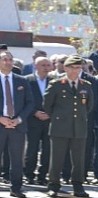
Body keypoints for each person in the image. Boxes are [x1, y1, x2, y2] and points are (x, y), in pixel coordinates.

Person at [43, 55, 94, 198]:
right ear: (65, 68)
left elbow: (89, 106)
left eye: (78, 67)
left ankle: (78, 185)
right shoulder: (57, 84)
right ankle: (53, 185)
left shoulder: (86, 85)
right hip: (60, 127)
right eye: (72, 67)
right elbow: (47, 105)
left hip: (79, 127)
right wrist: (58, 118)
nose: (76, 70)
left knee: (78, 159)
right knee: (57, 159)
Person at [0, 51, 35, 198]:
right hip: (1, 123)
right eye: (4, 59)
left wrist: (19, 119)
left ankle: (16, 188)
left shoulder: (22, 80)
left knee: (16, 159)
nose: (8, 62)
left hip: (17, 125)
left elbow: (30, 102)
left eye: (10, 59)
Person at [24, 56, 53, 186]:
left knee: (47, 149)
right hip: (32, 120)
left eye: (48, 65)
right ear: (36, 66)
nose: (46, 68)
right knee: (32, 149)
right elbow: (23, 101)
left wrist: (49, 113)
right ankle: (29, 174)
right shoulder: (27, 80)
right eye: (43, 65)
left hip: (49, 120)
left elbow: (58, 101)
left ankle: (42, 175)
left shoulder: (54, 81)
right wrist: (34, 112)